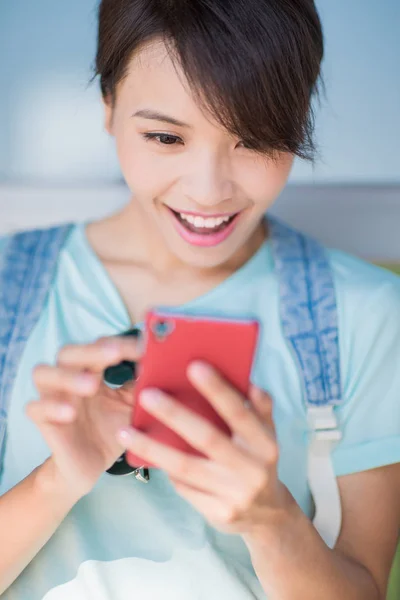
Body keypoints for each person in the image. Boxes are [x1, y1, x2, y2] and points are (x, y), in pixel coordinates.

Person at [0, 1, 400, 598]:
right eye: (165, 136)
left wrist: (272, 520)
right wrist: (56, 480)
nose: (209, 191)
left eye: (255, 138)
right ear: (108, 106)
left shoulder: (368, 314)